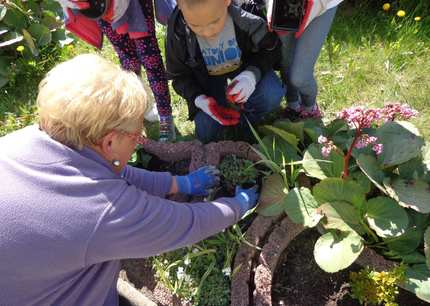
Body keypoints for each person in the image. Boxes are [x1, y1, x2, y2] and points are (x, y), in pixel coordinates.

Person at [0, 54, 258, 306]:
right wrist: (238, 206)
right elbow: (186, 224)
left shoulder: (28, 141)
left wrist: (180, 184)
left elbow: (115, 171)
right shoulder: (102, 210)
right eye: (136, 136)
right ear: (110, 141)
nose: (138, 141)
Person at [165, 0, 285, 144]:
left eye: (215, 21)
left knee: (271, 93)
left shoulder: (246, 15)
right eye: (195, 25)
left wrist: (251, 75)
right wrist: (199, 99)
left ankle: (250, 120)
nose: (208, 31)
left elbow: (271, 49)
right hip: (209, 89)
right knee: (206, 131)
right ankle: (233, 121)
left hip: (246, 75)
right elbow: (179, 76)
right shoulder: (177, 31)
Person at [57, 0, 177, 141]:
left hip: (134, 4)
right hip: (101, 8)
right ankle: (137, 109)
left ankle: (165, 118)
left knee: (150, 57)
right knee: (128, 60)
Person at [267, 0, 344, 119]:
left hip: (322, 4)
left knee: (299, 77)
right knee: (286, 62)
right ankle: (293, 106)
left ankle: (310, 108)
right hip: (281, 4)